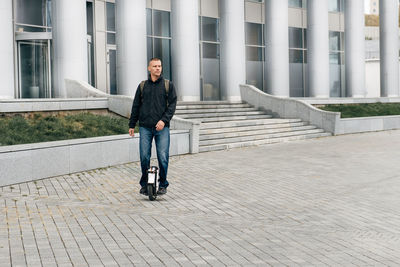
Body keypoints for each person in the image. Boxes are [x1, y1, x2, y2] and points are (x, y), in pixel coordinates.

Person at [129, 58, 177, 195]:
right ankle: (144, 185)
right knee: (144, 156)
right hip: (145, 127)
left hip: (162, 128)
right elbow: (136, 106)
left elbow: (172, 105)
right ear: (149, 68)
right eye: (155, 66)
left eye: (160, 66)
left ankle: (163, 184)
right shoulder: (143, 85)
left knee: (163, 156)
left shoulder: (168, 85)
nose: (158, 68)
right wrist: (132, 124)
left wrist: (164, 121)